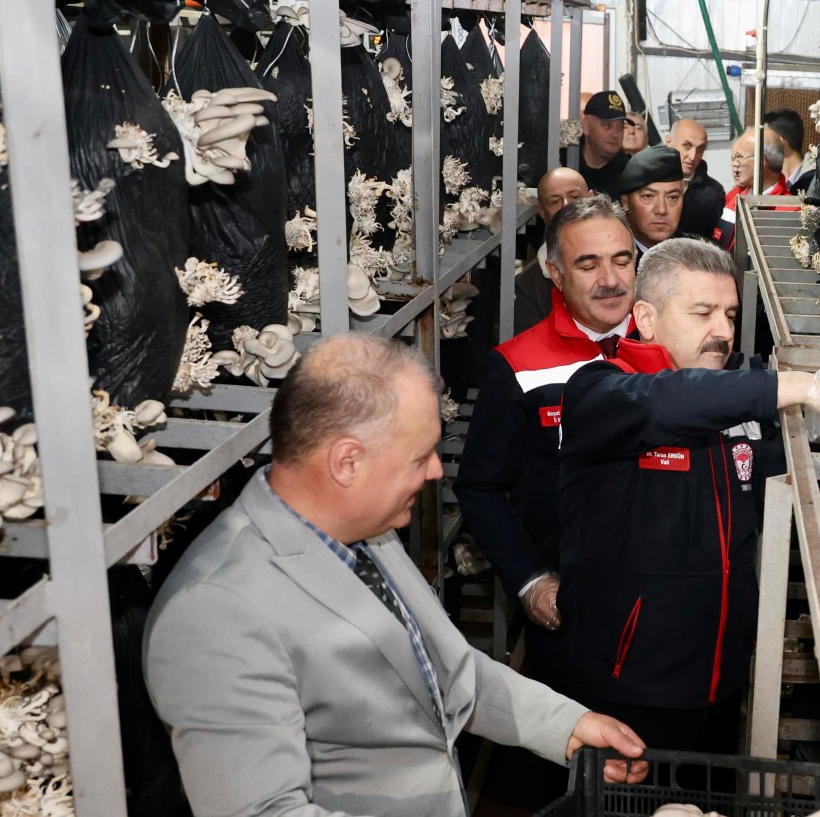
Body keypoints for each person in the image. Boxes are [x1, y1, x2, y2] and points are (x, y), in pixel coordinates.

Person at [144, 334, 646, 816]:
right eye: (419, 456)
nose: (435, 472)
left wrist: (567, 725)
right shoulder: (214, 609)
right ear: (347, 462)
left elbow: (442, 668)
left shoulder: (366, 528)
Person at [553, 239, 820, 753]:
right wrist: (809, 386)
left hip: (721, 679)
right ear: (645, 318)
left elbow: (763, 483)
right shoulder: (602, 393)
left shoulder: (733, 413)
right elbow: (668, 402)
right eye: (702, 312)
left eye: (730, 314)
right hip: (627, 690)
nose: (721, 330)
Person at [456, 197, 637, 690]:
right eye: (588, 263)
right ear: (555, 273)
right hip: (569, 609)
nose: (611, 279)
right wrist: (530, 579)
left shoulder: (671, 349)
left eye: (622, 259)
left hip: (657, 602)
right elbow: (479, 487)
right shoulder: (518, 364)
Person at [517, 167, 591, 334]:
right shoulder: (529, 284)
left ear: (591, 198)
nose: (566, 207)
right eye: (555, 201)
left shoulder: (626, 256)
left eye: (574, 197)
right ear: (542, 213)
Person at [713, 127, 790, 251]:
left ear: (761, 161)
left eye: (740, 157)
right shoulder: (734, 198)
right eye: (733, 159)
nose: (735, 164)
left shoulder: (788, 211)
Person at [617, 145, 685, 258]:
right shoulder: (612, 257)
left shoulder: (703, 257)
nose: (662, 210)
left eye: (672, 197)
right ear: (625, 202)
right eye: (648, 196)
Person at [665, 118, 725, 242]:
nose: (693, 156)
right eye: (687, 146)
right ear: (669, 142)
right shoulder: (648, 181)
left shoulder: (713, 193)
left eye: (700, 149)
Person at [578, 90, 636, 198]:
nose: (615, 134)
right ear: (585, 126)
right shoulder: (563, 162)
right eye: (607, 126)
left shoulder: (631, 172)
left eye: (620, 127)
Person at [765, 108, 815, 193]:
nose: (757, 147)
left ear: (780, 142)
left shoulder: (816, 182)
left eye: (764, 141)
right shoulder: (761, 182)